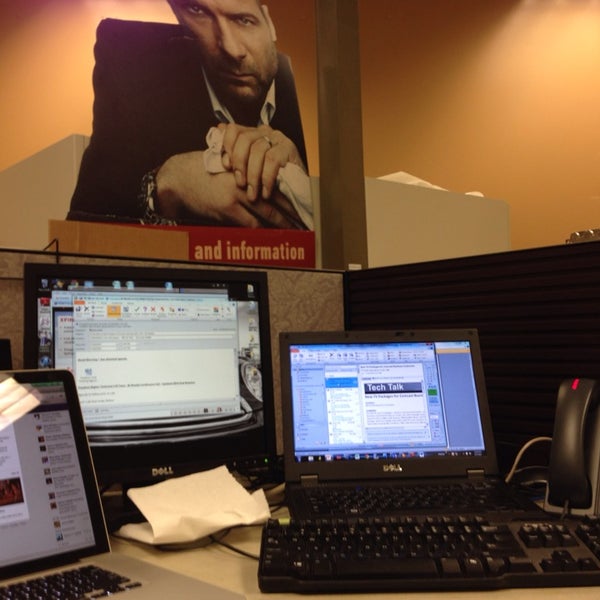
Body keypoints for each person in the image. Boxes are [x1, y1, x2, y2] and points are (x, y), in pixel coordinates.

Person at [67, 0, 313, 230]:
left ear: (270, 23)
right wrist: (165, 182)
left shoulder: (307, 93)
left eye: (243, 20)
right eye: (199, 12)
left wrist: (306, 193)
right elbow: (82, 231)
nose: (231, 48)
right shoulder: (133, 73)